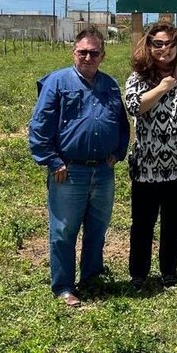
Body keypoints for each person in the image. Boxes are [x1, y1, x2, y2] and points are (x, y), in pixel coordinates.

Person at [29, 27, 130, 307]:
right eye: (83, 52)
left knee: (97, 228)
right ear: (74, 52)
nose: (88, 57)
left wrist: (118, 152)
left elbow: (122, 125)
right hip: (68, 171)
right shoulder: (57, 83)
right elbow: (38, 126)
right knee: (63, 230)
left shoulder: (110, 85)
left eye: (94, 52)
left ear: (103, 55)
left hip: (102, 171)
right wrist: (52, 161)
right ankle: (63, 285)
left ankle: (92, 277)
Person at [124, 22, 177, 291]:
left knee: (174, 221)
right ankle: (138, 274)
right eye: (158, 44)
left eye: (170, 44)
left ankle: (169, 271)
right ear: (148, 46)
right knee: (143, 223)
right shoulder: (138, 78)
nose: (165, 49)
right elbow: (135, 106)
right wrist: (163, 87)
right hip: (148, 165)